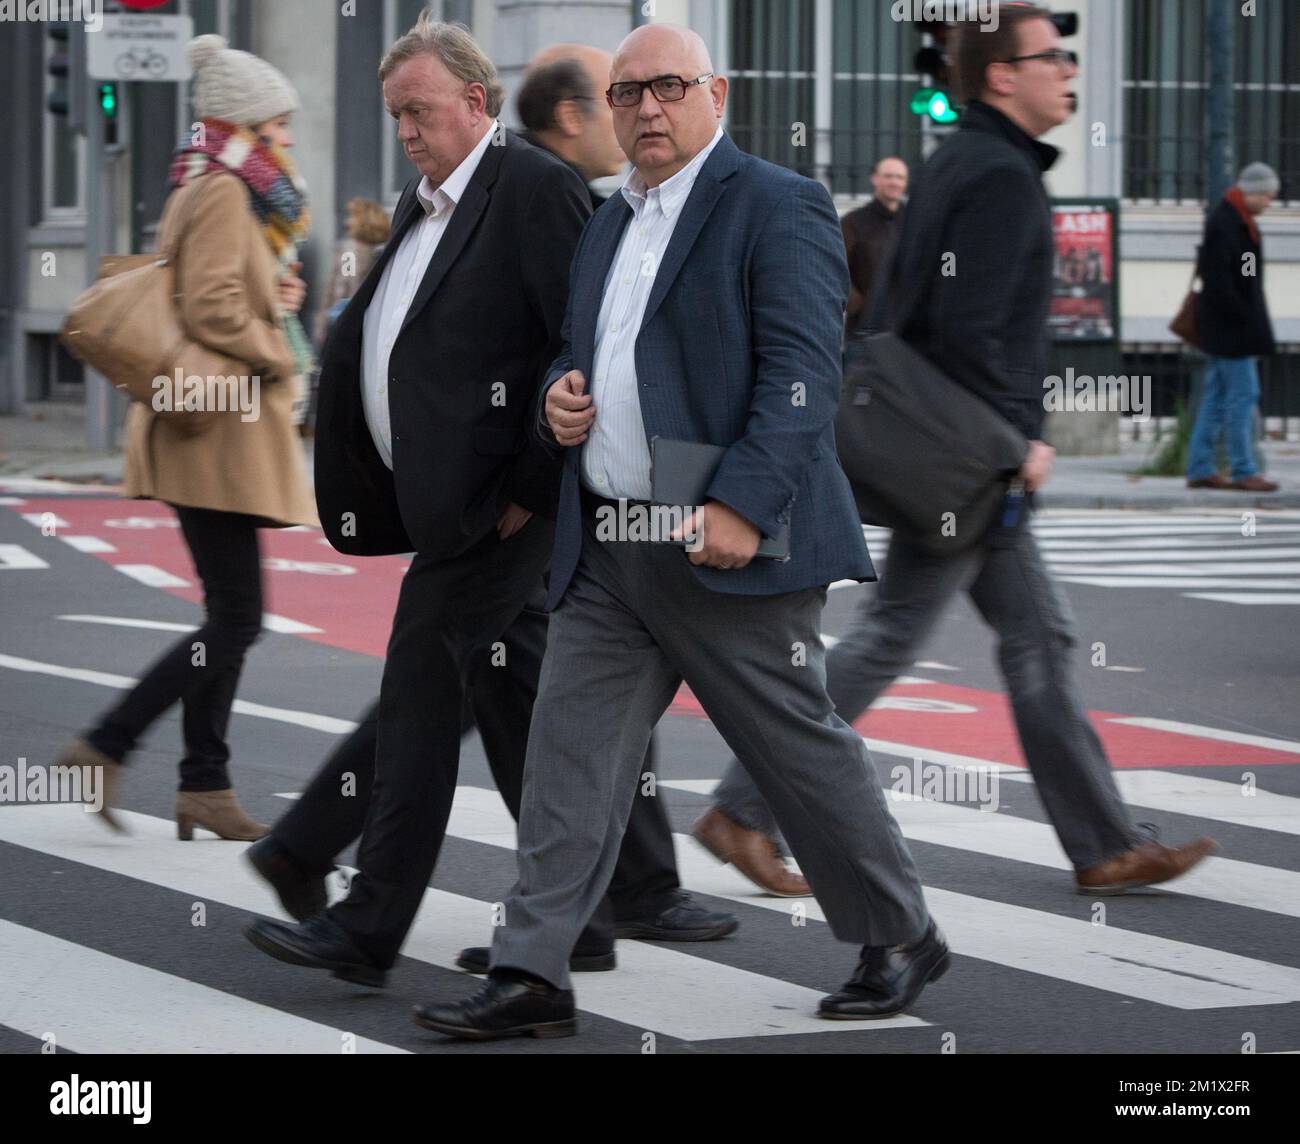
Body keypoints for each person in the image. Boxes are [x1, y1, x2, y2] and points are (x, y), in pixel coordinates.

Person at [411, 23, 947, 1042]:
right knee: (569, 757)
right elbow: (586, 356)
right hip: (612, 540)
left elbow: (802, 373)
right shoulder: (609, 221)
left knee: (794, 748)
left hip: (723, 533)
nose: (646, 108)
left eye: (667, 87)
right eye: (626, 93)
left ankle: (899, 932)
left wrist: (743, 504)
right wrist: (555, 406)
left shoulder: (775, 204)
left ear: (718, 92)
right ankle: (533, 972)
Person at [240, 16, 729, 989]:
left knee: (421, 699)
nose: (408, 131)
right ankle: (581, 919)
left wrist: (522, 492)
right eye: (395, 117)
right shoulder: (431, 205)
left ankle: (367, 924)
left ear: (477, 100)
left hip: (503, 514)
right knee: (513, 698)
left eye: (419, 111)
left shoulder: (530, 191)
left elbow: (583, 342)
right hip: (456, 510)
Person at [701, 4, 1217, 905]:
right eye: (1049, 57)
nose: (1067, 70)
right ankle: (745, 807)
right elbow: (973, 330)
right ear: (999, 75)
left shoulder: (964, 164)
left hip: (947, 454)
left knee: (1033, 636)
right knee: (916, 636)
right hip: (966, 462)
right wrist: (1017, 440)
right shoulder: (1000, 177)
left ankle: (1102, 843)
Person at [55, 34, 316, 843]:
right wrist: (276, 344)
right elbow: (209, 308)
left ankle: (203, 782)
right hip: (213, 431)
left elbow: (224, 289)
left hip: (213, 431)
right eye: (280, 122)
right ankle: (106, 745)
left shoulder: (215, 184)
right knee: (236, 618)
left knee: (230, 613)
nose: (289, 137)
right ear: (249, 123)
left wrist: (274, 295)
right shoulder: (222, 192)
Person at [1185, 163, 1281, 493]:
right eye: (1267, 195)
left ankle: (1200, 467)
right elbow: (1224, 281)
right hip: (1232, 332)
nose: (1270, 202)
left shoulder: (1239, 222)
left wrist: (1247, 306)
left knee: (1217, 398)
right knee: (1244, 396)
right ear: (1252, 191)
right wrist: (1245, 317)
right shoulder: (1230, 223)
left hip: (1228, 329)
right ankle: (1243, 469)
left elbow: (1246, 275)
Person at [516, 45, 628, 206]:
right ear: (571, 116)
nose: (633, 118)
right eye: (616, 102)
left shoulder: (511, 175)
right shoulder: (552, 200)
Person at [840, 156, 908, 334]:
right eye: (888, 176)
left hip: (905, 332)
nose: (894, 182)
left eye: (900, 177)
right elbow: (837, 270)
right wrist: (862, 307)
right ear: (875, 179)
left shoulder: (914, 222)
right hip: (863, 331)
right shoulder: (852, 222)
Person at [313, 197, 391, 349]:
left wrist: (324, 326)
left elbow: (342, 288)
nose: (347, 222)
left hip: (344, 323)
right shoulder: (380, 250)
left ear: (364, 221)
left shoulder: (350, 250)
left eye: (352, 217)